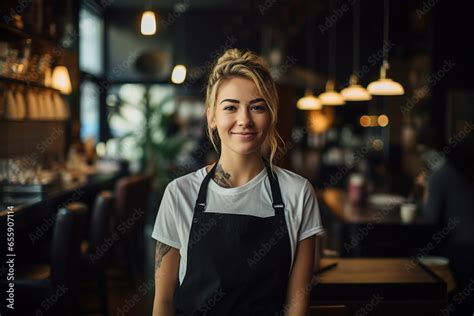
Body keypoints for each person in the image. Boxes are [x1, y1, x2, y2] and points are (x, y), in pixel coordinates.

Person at [151, 49, 324, 315]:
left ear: (271, 115)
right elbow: (163, 303)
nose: (244, 120)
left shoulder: (298, 193)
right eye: (230, 107)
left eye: (257, 107)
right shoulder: (179, 194)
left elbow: (296, 305)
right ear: (211, 117)